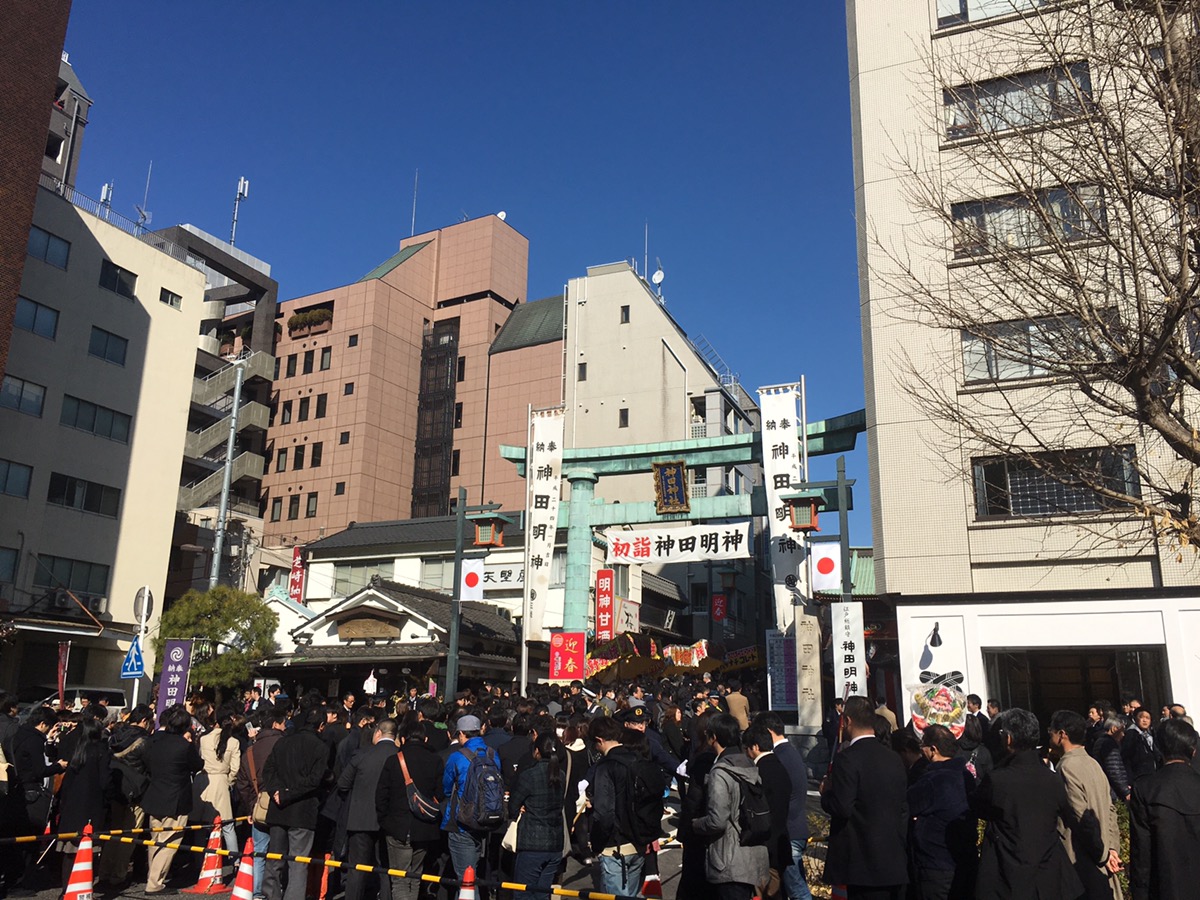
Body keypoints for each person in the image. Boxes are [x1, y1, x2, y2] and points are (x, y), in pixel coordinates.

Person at [972, 708, 1082, 900]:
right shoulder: (1052, 779)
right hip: (1049, 875)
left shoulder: (997, 780)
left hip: (1007, 877)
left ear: (1008, 739)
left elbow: (979, 807)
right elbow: (1069, 815)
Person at [819, 695, 908, 900]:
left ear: (847, 721)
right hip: (893, 857)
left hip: (861, 862)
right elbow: (903, 806)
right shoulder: (894, 758)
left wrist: (826, 794)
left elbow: (842, 806)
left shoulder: (847, 759)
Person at [1046, 710, 1123, 900]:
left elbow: (1081, 817)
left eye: (1051, 731)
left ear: (1062, 734)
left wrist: (1103, 855)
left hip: (1083, 861)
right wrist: (1112, 849)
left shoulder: (1066, 767)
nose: (1049, 735)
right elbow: (1110, 809)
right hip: (1102, 854)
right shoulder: (1093, 763)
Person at [691, 713, 769, 900]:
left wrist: (695, 824)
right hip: (752, 852)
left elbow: (717, 820)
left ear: (714, 737)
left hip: (728, 858)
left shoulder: (721, 772)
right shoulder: (748, 764)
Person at [261, 706, 331, 900]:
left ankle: (270, 896)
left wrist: (277, 791)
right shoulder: (320, 747)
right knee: (298, 863)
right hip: (303, 810)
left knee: (274, 859)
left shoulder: (283, 742)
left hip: (278, 808)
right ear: (321, 726)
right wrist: (287, 793)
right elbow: (314, 780)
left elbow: (267, 771)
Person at [1128, 717, 1200, 899]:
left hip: (1165, 886)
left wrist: (1140, 892)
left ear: (1159, 749)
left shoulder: (1145, 788)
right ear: (1193, 751)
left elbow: (1141, 853)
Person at [907, 725, 976, 900]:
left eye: (923, 745)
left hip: (935, 863)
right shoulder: (965, 776)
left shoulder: (933, 780)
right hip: (965, 859)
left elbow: (907, 805)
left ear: (933, 750)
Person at [377, 718, 444, 900]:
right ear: (425, 739)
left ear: (403, 739)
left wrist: (385, 821)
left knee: (399, 879)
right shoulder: (436, 761)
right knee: (415, 877)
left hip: (397, 826)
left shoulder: (393, 761)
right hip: (424, 827)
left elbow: (381, 795)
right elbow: (440, 793)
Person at [142, 704, 203, 894]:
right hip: (175, 799)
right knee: (170, 841)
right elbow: (197, 764)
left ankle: (153, 876)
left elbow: (147, 765)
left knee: (156, 839)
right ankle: (154, 883)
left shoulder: (154, 742)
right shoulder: (184, 746)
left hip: (155, 795)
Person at [588, 715, 648, 896]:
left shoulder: (606, 766)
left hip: (614, 844)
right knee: (633, 893)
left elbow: (604, 812)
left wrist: (597, 843)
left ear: (599, 740)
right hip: (639, 840)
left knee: (615, 894)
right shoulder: (638, 759)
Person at [339, 718, 399, 900]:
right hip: (389, 820)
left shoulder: (362, 755)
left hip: (360, 819)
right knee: (386, 869)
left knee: (357, 869)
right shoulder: (400, 756)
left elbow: (342, 784)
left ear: (378, 733)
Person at [755, 712, 812, 900]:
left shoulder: (779, 757)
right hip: (795, 829)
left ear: (768, 731)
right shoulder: (789, 752)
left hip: (789, 832)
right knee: (792, 888)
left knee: (797, 890)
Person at [97, 704, 153, 889]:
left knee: (112, 833)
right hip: (135, 793)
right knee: (128, 835)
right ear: (144, 720)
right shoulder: (144, 741)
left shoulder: (115, 735)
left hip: (115, 789)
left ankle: (104, 872)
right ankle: (118, 875)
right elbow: (150, 767)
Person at [55, 716, 112, 890]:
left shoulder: (78, 751)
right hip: (92, 808)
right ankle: (83, 888)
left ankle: (66, 889)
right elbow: (104, 782)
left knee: (70, 853)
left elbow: (67, 783)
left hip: (72, 807)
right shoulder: (101, 751)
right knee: (88, 851)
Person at [440, 713, 498, 882]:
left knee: (465, 881)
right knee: (473, 873)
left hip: (462, 821)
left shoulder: (457, 757)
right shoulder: (493, 755)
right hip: (487, 818)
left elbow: (447, 787)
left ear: (461, 734)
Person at [237, 706, 287, 900]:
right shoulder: (284, 744)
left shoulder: (250, 750)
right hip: (281, 804)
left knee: (259, 851)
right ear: (276, 724)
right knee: (279, 851)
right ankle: (276, 889)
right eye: (283, 723)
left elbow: (241, 782)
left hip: (258, 805)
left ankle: (257, 892)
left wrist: (251, 805)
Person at [509, 732, 567, 894]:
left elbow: (513, 807)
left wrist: (519, 808)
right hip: (555, 843)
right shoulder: (560, 775)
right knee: (542, 893)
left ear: (536, 751)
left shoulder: (529, 775)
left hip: (532, 843)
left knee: (523, 893)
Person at [743, 722, 792, 899]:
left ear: (755, 747)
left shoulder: (758, 772)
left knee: (765, 893)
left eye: (747, 748)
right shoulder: (782, 766)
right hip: (781, 843)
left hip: (764, 848)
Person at [195, 704, 243, 874]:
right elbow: (235, 768)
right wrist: (228, 781)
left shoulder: (203, 738)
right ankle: (235, 861)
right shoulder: (234, 742)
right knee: (228, 825)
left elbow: (199, 759)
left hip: (204, 781)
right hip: (222, 782)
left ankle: (199, 860)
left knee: (202, 825)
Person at [1122, 708, 1161, 781]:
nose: (1145, 720)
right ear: (1135, 719)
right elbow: (1126, 758)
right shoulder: (1131, 735)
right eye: (1141, 717)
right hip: (1138, 776)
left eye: (1147, 718)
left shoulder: (1151, 734)